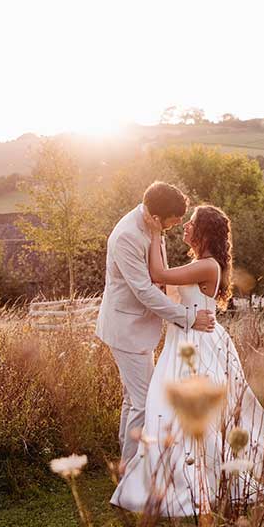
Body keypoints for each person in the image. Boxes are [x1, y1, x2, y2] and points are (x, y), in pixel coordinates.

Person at [111, 204, 264, 516]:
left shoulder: (208, 266)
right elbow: (162, 285)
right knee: (169, 409)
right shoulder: (197, 264)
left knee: (195, 410)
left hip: (198, 344)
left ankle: (198, 475)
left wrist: (153, 231)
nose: (185, 228)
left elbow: (157, 275)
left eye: (191, 224)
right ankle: (169, 471)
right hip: (182, 342)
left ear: (204, 233)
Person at [95, 182, 215, 464]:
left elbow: (159, 274)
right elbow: (144, 290)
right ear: (156, 217)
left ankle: (127, 460)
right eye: (171, 223)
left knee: (132, 399)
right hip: (126, 330)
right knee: (144, 402)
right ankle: (131, 471)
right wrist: (187, 317)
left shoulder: (153, 227)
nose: (174, 228)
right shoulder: (127, 236)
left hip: (139, 329)